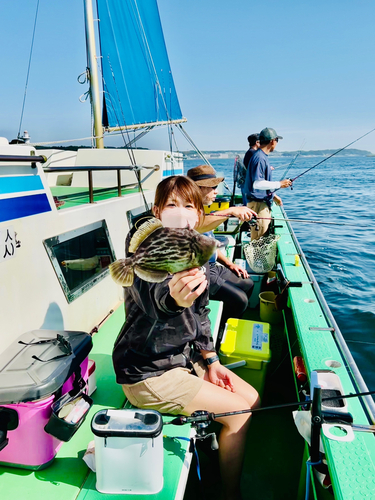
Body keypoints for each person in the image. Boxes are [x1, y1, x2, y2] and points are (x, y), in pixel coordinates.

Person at [112, 175, 259, 500]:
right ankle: (229, 493)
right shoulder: (147, 248)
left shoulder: (195, 250)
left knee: (252, 399)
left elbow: (202, 315)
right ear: (157, 211)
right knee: (240, 415)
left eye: (188, 206)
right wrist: (175, 300)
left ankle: (214, 449)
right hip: (147, 371)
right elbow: (155, 299)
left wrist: (211, 360)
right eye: (171, 206)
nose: (180, 214)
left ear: (198, 213)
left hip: (184, 358)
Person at [187, 165, 255, 329]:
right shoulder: (186, 210)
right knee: (240, 301)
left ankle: (228, 326)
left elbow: (210, 243)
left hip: (211, 266)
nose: (216, 191)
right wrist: (231, 211)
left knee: (248, 283)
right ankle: (216, 333)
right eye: (213, 187)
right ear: (198, 188)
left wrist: (230, 264)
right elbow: (197, 225)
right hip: (198, 273)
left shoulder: (201, 208)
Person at [243, 127, 292, 239]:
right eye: (277, 141)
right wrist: (279, 184)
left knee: (259, 239)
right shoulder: (260, 158)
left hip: (260, 204)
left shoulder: (261, 156)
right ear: (272, 141)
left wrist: (273, 196)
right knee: (258, 242)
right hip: (258, 206)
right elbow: (257, 184)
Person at [240, 133, 260, 205]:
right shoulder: (254, 153)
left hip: (246, 184)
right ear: (257, 142)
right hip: (249, 185)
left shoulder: (249, 152)